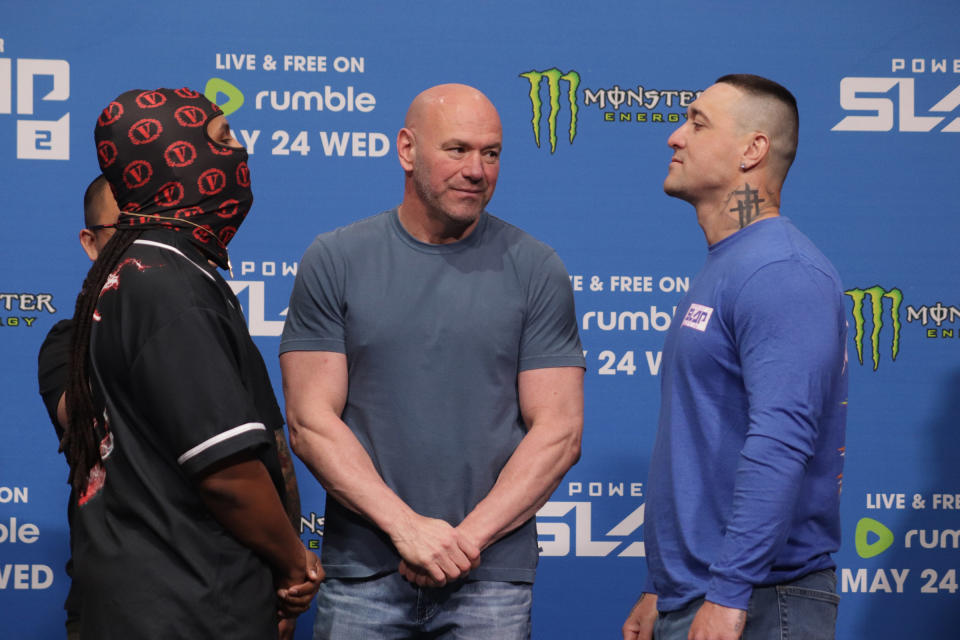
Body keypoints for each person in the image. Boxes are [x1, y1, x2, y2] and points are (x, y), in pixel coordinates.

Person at [280, 83, 585, 639]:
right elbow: (309, 421)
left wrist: (462, 543)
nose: (476, 169)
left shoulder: (538, 268)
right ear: (407, 150)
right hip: (364, 575)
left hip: (491, 578)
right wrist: (407, 529)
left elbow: (559, 432)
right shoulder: (335, 259)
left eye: (490, 154)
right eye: (458, 149)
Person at [60, 88, 321, 639]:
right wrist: (294, 562)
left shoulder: (140, 272)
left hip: (157, 596)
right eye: (223, 139)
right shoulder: (168, 285)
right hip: (188, 604)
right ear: (171, 159)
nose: (240, 154)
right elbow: (224, 471)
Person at [622, 74, 847, 640]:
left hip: (757, 603)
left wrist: (727, 593)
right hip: (705, 594)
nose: (675, 137)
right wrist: (662, 586)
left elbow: (780, 441)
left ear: (753, 150)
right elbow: (702, 441)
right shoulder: (732, 262)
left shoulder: (780, 273)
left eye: (697, 122)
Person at [36, 175, 118, 640]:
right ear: (91, 242)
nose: (141, 249)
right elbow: (77, 414)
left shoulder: (207, 327)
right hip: (111, 604)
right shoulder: (70, 344)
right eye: (123, 231)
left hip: (225, 600)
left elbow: (265, 446)